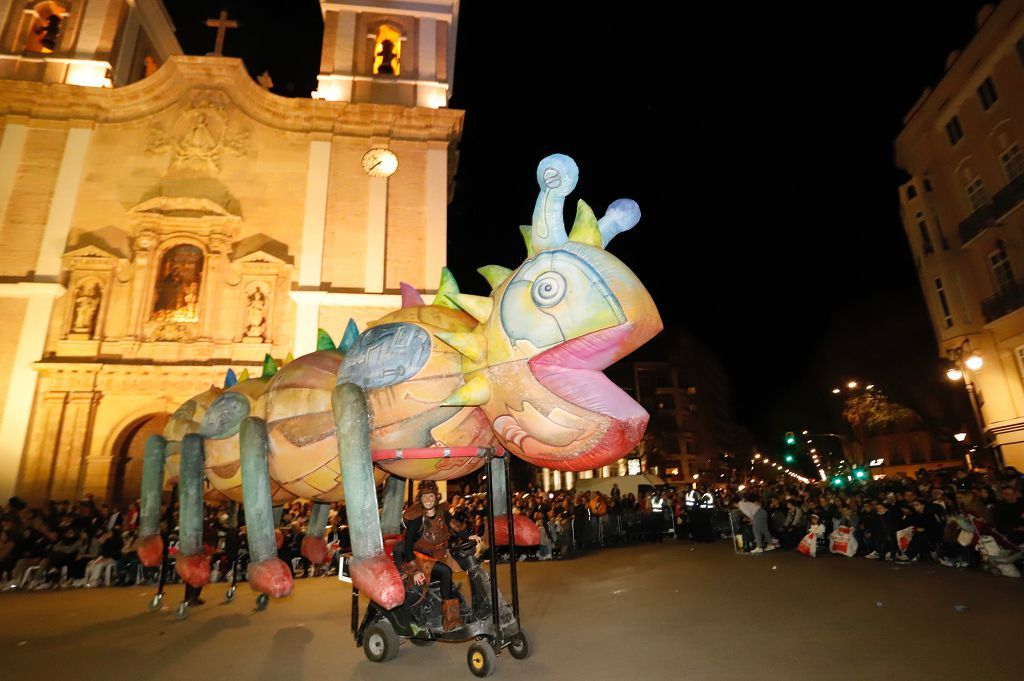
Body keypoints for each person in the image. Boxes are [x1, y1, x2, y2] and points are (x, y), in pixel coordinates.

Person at [400, 481, 481, 632]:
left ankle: (472, 607)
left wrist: (469, 536)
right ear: (421, 498)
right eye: (425, 496)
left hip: (439, 556)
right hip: (421, 560)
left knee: (468, 562)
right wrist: (415, 570)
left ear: (436, 497)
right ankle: (450, 620)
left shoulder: (442, 513)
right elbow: (407, 546)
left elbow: (456, 528)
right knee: (446, 572)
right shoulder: (416, 518)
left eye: (431, 496)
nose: (428, 499)